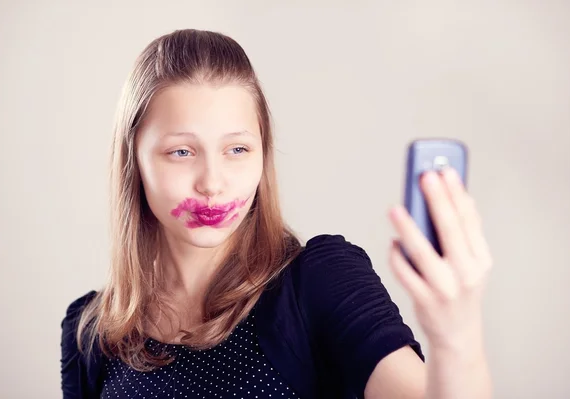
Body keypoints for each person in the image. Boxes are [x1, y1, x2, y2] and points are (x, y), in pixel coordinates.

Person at [61, 28, 493, 399]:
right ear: (134, 160)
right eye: (181, 151)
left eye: (237, 149)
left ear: (262, 156)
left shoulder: (319, 281)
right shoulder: (91, 332)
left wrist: (456, 333)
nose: (213, 182)